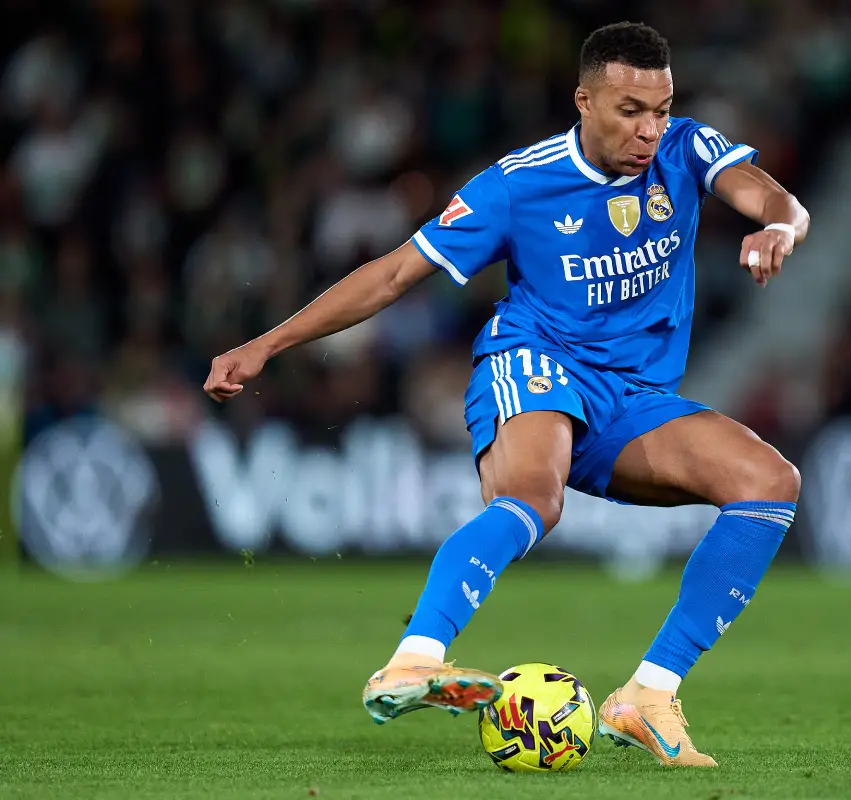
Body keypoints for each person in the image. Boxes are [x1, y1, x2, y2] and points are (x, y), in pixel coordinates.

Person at [204, 21, 808, 768]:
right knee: (534, 498)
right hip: (535, 363)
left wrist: (778, 227)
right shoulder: (518, 184)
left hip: (632, 395)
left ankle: (647, 696)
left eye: (661, 108)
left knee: (769, 483)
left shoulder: (687, 148)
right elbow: (394, 274)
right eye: (629, 111)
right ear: (583, 100)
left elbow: (776, 198)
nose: (650, 130)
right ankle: (414, 658)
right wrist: (267, 344)